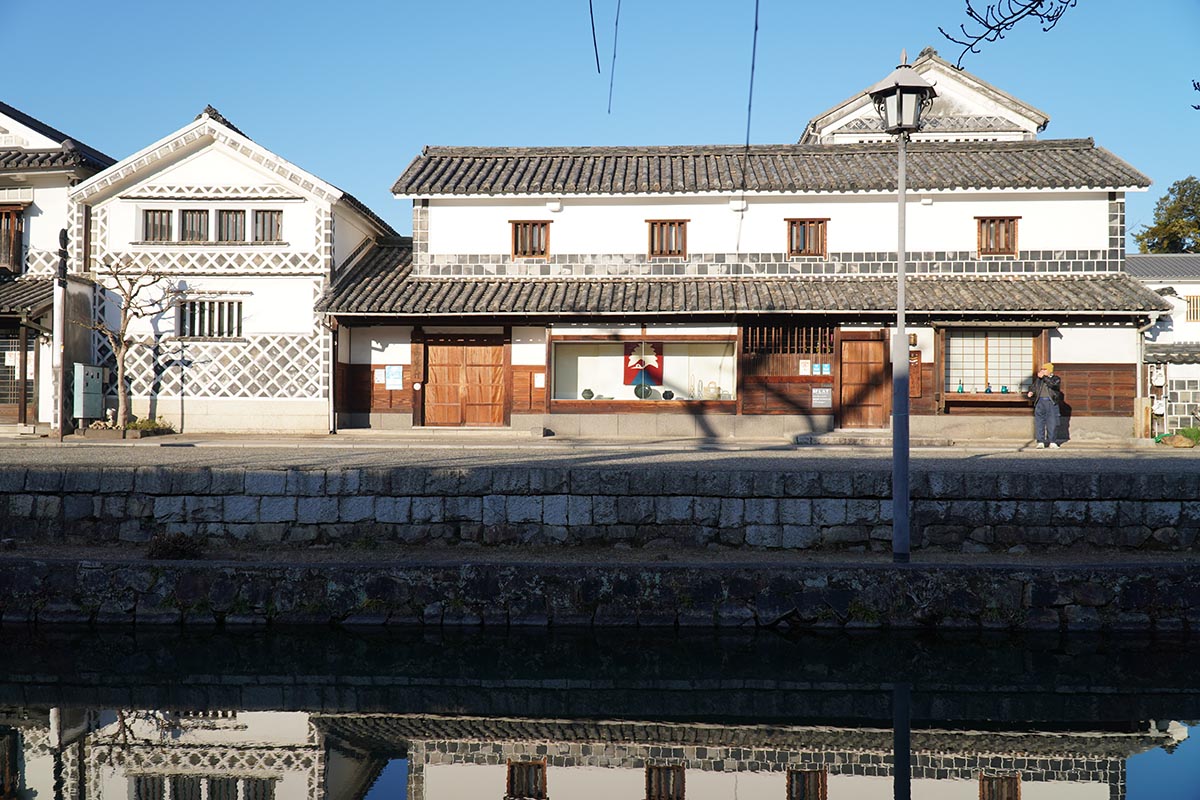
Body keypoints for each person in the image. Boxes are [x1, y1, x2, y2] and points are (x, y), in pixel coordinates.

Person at [1026, 362, 1063, 449]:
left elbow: (1052, 385)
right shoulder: (1039, 379)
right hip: (1040, 402)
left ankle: (1052, 441)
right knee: (1039, 422)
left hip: (1051, 402)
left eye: (1044, 369)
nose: (1042, 371)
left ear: (1049, 370)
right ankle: (1040, 441)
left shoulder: (1056, 379)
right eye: (1042, 369)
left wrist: (1044, 377)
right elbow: (1034, 387)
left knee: (1052, 422)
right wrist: (1031, 392)